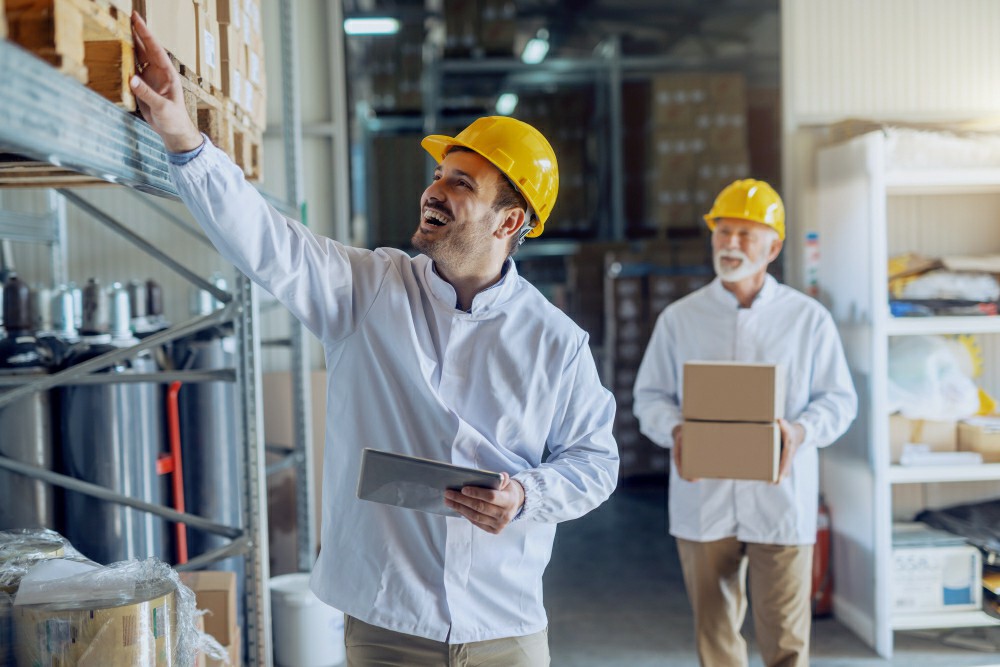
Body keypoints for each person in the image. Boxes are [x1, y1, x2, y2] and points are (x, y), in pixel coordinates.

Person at [129, 12, 618, 667]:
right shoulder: (369, 290)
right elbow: (270, 243)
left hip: (507, 627)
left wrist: (528, 495)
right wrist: (186, 140)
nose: (434, 190)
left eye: (460, 184)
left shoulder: (556, 342)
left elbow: (595, 461)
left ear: (510, 219)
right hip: (388, 623)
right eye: (440, 174)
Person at [632, 179, 857, 667]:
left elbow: (839, 401)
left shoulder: (808, 320)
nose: (730, 244)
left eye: (745, 234)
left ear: (773, 246)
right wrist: (676, 430)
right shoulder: (681, 319)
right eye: (723, 232)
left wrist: (799, 432)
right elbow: (648, 397)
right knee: (715, 641)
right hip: (703, 498)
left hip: (781, 497)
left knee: (787, 644)